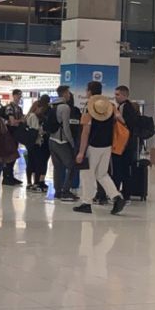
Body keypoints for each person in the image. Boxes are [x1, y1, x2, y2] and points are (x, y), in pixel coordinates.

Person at [73, 82, 127, 216]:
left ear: (90, 91)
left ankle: (87, 203)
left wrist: (81, 152)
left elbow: (86, 131)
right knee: (102, 174)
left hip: (93, 145)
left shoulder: (89, 108)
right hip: (107, 145)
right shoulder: (111, 106)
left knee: (87, 174)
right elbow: (122, 121)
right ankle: (116, 197)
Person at [49, 85, 78, 201]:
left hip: (52, 140)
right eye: (68, 92)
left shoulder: (53, 106)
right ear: (65, 93)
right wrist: (71, 142)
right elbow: (66, 127)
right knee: (71, 166)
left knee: (57, 167)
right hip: (61, 141)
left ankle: (57, 191)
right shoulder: (65, 107)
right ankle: (66, 191)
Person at [111, 85, 136, 200]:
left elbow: (124, 123)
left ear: (124, 95)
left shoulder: (123, 108)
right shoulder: (132, 107)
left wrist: (116, 117)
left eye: (118, 94)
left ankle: (115, 193)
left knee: (118, 169)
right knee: (126, 170)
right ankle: (126, 193)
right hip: (129, 144)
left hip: (122, 144)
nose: (115, 97)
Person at [25, 98, 50, 192]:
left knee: (30, 162)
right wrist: (43, 131)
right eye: (41, 109)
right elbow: (36, 130)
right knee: (37, 163)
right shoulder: (34, 117)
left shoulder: (28, 116)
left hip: (30, 143)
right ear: (37, 108)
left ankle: (29, 183)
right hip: (36, 143)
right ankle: (35, 183)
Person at [2, 89, 23, 186]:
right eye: (18, 95)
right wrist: (20, 120)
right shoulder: (9, 108)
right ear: (14, 95)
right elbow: (12, 122)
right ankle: (7, 177)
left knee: (13, 155)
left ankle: (10, 176)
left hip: (16, 134)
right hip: (9, 134)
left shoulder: (19, 108)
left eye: (20, 95)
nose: (19, 97)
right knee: (9, 155)